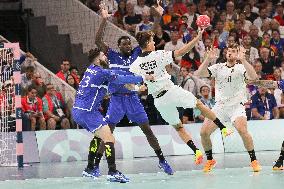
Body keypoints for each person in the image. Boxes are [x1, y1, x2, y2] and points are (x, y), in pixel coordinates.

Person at [128, 29, 233, 168]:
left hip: (159, 101)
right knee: (199, 105)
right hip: (171, 92)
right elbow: (181, 52)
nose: (154, 43)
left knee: (178, 127)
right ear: (147, 43)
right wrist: (196, 39)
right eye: (152, 41)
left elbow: (128, 83)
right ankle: (223, 128)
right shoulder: (159, 55)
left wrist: (137, 88)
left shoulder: (135, 64)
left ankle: (196, 152)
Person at [94, 3, 173, 175]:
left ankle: (162, 160)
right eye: (125, 44)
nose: (128, 46)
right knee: (108, 132)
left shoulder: (137, 54)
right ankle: (95, 166)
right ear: (119, 46)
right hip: (116, 99)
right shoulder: (112, 55)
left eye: (129, 43)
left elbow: (149, 34)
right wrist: (104, 20)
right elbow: (97, 41)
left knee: (147, 130)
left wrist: (158, 17)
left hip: (133, 99)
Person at [72, 48, 143, 183]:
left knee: (98, 137)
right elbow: (120, 78)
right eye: (104, 55)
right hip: (88, 112)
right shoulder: (101, 73)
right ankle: (112, 171)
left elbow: (113, 75)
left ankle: (89, 168)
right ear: (99, 59)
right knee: (109, 138)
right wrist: (142, 77)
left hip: (79, 111)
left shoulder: (91, 69)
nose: (106, 57)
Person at [195, 43, 261, 172]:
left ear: (238, 54)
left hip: (236, 106)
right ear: (225, 54)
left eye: (233, 51)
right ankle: (210, 160)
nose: (230, 53)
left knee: (242, 130)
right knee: (204, 132)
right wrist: (207, 59)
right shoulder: (218, 67)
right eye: (228, 51)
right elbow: (199, 73)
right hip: (219, 107)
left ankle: (253, 160)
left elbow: (254, 77)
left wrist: (243, 59)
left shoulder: (241, 67)